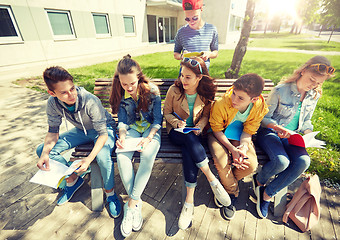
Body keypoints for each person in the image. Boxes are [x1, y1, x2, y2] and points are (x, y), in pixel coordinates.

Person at [254, 56, 334, 219]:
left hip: (293, 137)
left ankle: (267, 194)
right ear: (302, 71)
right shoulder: (280, 90)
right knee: (282, 162)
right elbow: (264, 118)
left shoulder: (314, 95)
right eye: (312, 79)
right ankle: (260, 180)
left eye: (318, 83)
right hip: (271, 133)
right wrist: (278, 127)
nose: (313, 85)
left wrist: (307, 133)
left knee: (304, 162)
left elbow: (306, 121)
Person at [36, 66, 121, 218]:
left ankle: (110, 194)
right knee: (42, 150)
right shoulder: (52, 103)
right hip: (81, 130)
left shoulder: (90, 100)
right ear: (52, 93)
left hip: (103, 129)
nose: (71, 95)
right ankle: (72, 180)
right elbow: (53, 131)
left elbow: (102, 135)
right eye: (64, 92)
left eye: (72, 89)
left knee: (102, 156)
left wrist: (88, 160)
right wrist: (44, 153)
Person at [164, 57, 231, 230]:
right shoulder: (174, 90)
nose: (182, 80)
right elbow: (167, 113)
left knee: (189, 149)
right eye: (182, 75)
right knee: (187, 140)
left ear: (199, 77)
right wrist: (176, 123)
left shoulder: (205, 93)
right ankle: (212, 179)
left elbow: (206, 116)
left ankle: (189, 202)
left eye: (188, 77)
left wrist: (199, 127)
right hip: (176, 132)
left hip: (195, 135)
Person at [109, 55, 162, 237]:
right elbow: (122, 121)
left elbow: (157, 121)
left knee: (147, 155)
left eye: (132, 83)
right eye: (124, 84)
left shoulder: (152, 91)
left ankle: (130, 204)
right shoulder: (120, 92)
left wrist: (148, 139)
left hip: (150, 131)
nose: (129, 87)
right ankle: (137, 203)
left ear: (139, 76)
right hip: (132, 130)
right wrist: (122, 137)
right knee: (122, 156)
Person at [208, 73, 269, 220]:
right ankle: (231, 193)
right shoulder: (222, 103)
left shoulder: (259, 106)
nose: (234, 99)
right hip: (219, 134)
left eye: (240, 98)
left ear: (253, 99)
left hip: (240, 135)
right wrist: (232, 150)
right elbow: (216, 129)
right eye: (234, 93)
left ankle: (224, 183)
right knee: (223, 163)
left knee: (250, 165)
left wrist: (242, 147)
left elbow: (249, 131)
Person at [173, 0, 218, 70]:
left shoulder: (211, 29)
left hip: (203, 74)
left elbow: (215, 52)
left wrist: (208, 54)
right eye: (187, 19)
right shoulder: (181, 32)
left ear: (201, 9)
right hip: (186, 75)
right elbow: (176, 54)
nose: (191, 22)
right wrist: (182, 56)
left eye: (195, 18)